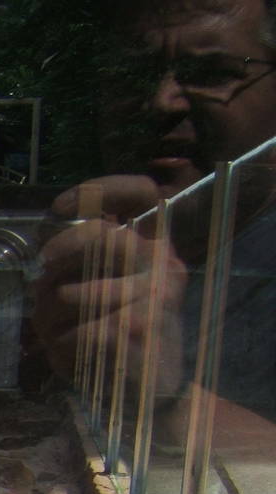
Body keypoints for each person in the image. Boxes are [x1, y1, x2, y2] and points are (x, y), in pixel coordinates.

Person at [32, 0, 276, 443]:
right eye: (133, 77)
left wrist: (165, 402)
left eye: (212, 73)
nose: (162, 101)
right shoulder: (84, 246)